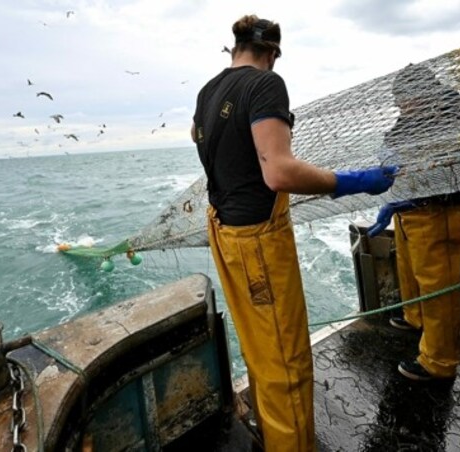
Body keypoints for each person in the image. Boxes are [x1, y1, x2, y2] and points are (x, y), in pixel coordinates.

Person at [191, 15, 397, 452]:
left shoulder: (207, 91)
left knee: (261, 349)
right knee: (288, 362)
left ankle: (271, 432)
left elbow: (211, 146)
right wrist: (354, 181)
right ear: (272, 53)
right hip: (258, 244)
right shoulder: (266, 84)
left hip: (225, 233)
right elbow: (279, 171)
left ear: (236, 47)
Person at [367, 63, 460, 382]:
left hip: (438, 212)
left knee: (438, 285)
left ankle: (439, 360)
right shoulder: (410, 122)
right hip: (408, 210)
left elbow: (450, 165)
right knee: (410, 270)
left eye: (405, 98)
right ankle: (415, 317)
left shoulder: (448, 120)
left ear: (423, 94)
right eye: (399, 99)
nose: (401, 105)